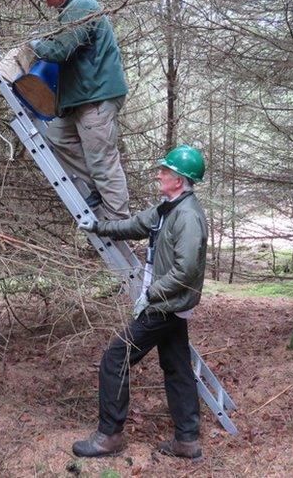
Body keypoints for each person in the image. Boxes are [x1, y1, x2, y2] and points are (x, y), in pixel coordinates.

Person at [71, 145, 208, 462]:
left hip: (164, 305)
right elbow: (134, 225)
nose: (159, 174)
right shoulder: (168, 208)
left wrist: (151, 294)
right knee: (176, 368)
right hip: (170, 305)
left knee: (115, 358)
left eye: (165, 171)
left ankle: (109, 435)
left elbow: (185, 270)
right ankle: (187, 441)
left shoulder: (187, 216)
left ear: (179, 180)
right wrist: (98, 227)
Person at [27, 0, 130, 219]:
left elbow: (61, 50)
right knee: (57, 137)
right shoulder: (72, 10)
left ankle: (119, 223)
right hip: (83, 97)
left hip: (96, 97)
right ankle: (97, 187)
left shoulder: (82, 7)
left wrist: (35, 45)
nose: (47, 3)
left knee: (103, 163)